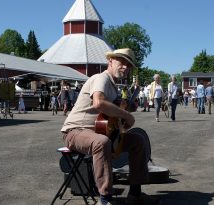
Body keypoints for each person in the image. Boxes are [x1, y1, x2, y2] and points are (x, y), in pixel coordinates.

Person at [61, 48, 154, 205]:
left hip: (101, 131)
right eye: (122, 62)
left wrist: (128, 107)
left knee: (137, 141)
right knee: (102, 142)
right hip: (75, 131)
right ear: (110, 61)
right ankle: (105, 199)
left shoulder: (113, 87)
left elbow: (114, 110)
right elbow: (99, 103)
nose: (125, 67)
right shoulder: (101, 78)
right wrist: (126, 115)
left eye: (128, 65)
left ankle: (135, 193)